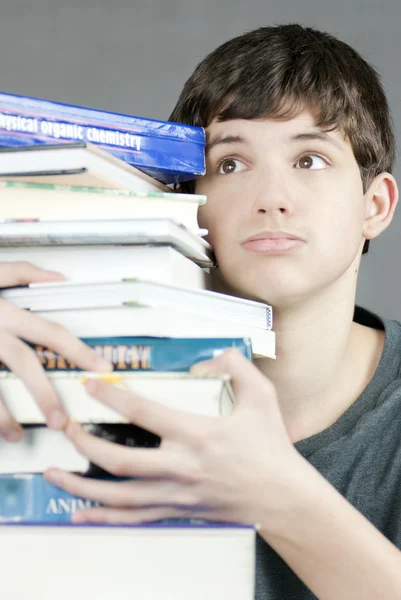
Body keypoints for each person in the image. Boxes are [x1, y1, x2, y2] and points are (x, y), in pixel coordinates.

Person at [2, 23, 401, 599]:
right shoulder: (80, 365)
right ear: (184, 202)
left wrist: (279, 497)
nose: (272, 197)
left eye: (310, 160)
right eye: (231, 164)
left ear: (376, 205)